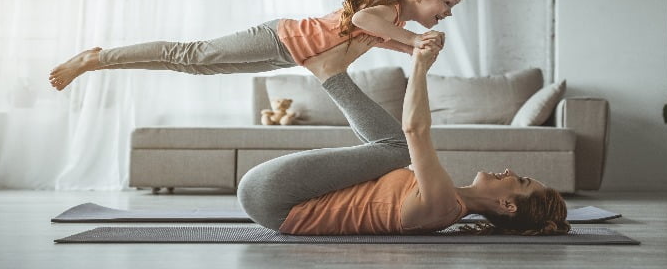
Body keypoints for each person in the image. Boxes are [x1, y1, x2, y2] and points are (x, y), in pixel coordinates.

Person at [237, 34, 571, 236]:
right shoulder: (446, 201)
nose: (511, 172)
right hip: (272, 198)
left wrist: (420, 65)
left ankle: (330, 72)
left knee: (398, 150)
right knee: (393, 151)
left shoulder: (441, 206)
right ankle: (330, 72)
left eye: (522, 181)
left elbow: (414, 131)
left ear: (507, 205)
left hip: (274, 198)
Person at [48, 0, 470, 91]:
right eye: (446, 2)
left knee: (193, 66)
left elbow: (386, 41)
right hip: (280, 37)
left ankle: (101, 62)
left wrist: (417, 48)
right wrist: (416, 38)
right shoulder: (384, 11)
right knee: (190, 54)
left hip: (283, 55)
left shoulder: (392, 20)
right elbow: (362, 19)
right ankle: (97, 57)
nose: (448, 11)